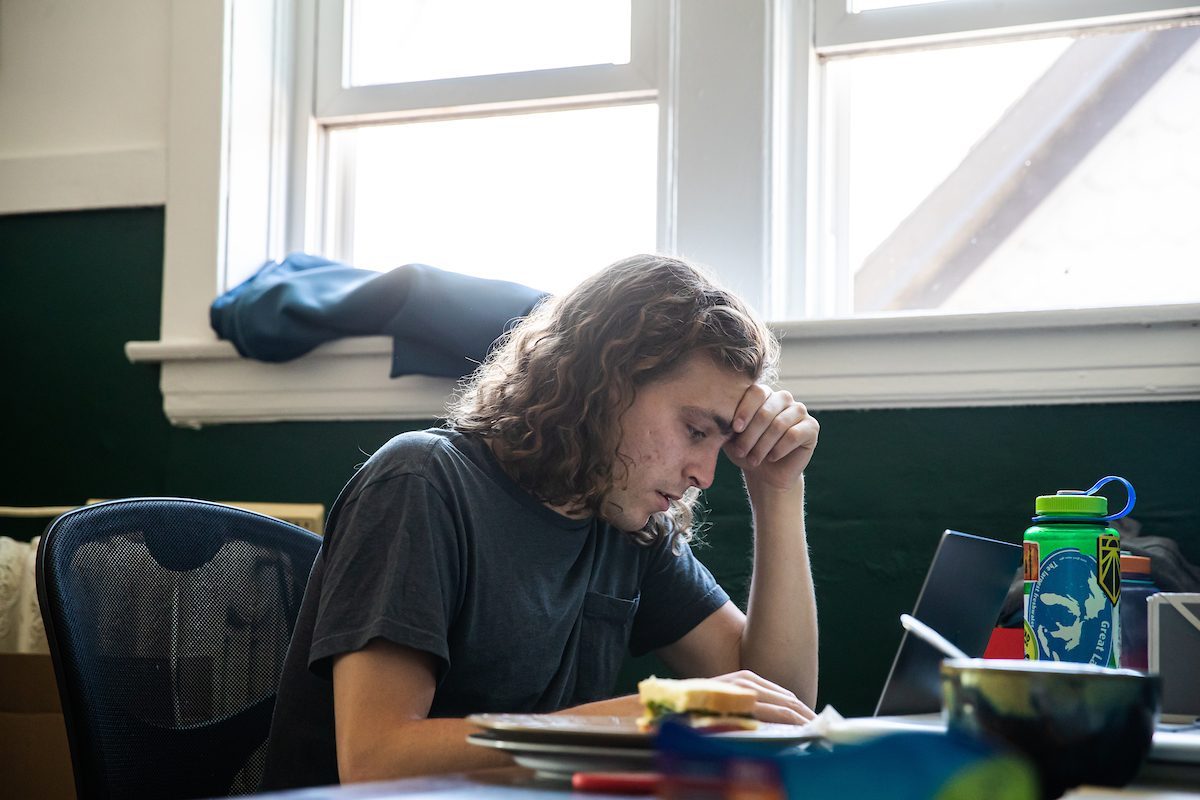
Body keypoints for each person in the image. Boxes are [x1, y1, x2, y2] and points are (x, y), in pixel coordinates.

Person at [259, 254, 820, 789]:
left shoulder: (628, 522)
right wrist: (650, 718)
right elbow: (377, 761)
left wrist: (776, 489)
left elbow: (779, 707)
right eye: (696, 431)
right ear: (607, 384)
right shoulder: (422, 482)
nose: (704, 474)